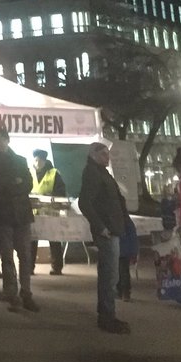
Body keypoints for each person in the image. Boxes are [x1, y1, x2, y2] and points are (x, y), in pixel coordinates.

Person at [78, 142, 130, 334]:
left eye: (108, 154)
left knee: (110, 274)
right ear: (93, 155)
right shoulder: (93, 173)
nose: (107, 157)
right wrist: (101, 227)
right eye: (103, 154)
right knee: (109, 275)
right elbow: (85, 202)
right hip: (107, 231)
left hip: (112, 229)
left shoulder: (101, 172)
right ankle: (107, 316)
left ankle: (106, 313)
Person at [0, 128, 38, 312]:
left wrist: (12, 185)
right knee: (7, 257)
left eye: (2, 139)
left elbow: (28, 183)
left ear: (8, 140)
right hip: (4, 216)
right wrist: (16, 183)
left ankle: (26, 293)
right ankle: (12, 293)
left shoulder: (20, 160)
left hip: (20, 214)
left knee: (25, 255)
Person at [30, 148, 67, 275]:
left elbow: (61, 192)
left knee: (54, 240)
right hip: (34, 212)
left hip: (51, 213)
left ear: (45, 161)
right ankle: (29, 267)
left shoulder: (54, 173)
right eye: (36, 160)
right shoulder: (29, 172)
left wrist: (50, 196)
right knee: (32, 240)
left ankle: (57, 267)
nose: (38, 163)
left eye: (40, 160)